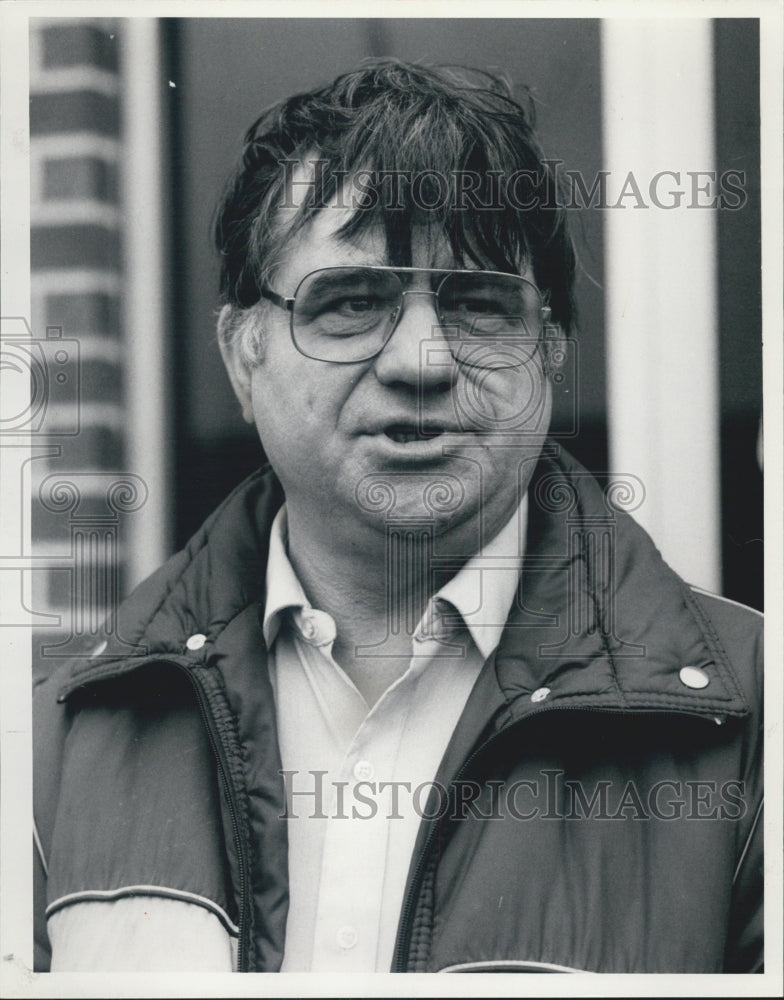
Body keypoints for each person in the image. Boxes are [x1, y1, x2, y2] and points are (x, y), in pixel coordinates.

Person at [33, 59, 763, 974]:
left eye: (479, 304)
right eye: (351, 304)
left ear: (549, 353)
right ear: (242, 353)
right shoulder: (61, 741)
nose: (422, 359)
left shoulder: (752, 733)